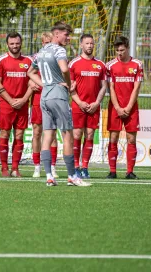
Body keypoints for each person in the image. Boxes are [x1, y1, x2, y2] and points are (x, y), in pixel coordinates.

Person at [28, 22, 90, 187]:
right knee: (67, 136)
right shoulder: (59, 50)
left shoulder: (41, 51)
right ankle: (72, 177)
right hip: (58, 96)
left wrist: (44, 85)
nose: (68, 38)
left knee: (47, 136)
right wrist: (68, 84)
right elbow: (64, 69)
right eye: (66, 34)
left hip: (45, 97)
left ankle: (49, 176)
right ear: (56, 33)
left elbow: (30, 72)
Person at [0, 32, 34, 177]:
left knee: (19, 135)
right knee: (4, 133)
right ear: (7, 44)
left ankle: (15, 168)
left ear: (21, 43)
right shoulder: (0, 61)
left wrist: (23, 99)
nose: (15, 46)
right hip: (6, 103)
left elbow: (33, 82)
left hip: (23, 103)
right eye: (12, 44)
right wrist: (10, 100)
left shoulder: (29, 61)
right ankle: (4, 168)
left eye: (17, 43)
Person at [69, 34, 107, 179]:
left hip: (93, 106)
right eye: (87, 43)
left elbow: (104, 86)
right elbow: (70, 87)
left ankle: (85, 167)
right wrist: (79, 102)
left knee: (90, 135)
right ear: (81, 45)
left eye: (91, 43)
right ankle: (76, 167)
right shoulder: (74, 64)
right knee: (77, 135)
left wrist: (97, 102)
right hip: (79, 105)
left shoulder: (100, 65)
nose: (90, 46)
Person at [105, 36, 143, 179]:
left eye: (122, 50)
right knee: (113, 138)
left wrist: (128, 107)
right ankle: (112, 171)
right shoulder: (110, 66)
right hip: (115, 107)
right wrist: (118, 107)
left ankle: (129, 172)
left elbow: (136, 88)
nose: (119, 53)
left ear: (127, 48)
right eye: (117, 51)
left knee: (131, 139)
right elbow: (111, 88)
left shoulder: (137, 64)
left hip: (131, 107)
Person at [30, 32, 60, 178]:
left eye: (50, 42)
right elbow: (29, 75)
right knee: (36, 132)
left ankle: (53, 166)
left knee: (52, 133)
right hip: (38, 98)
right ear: (42, 43)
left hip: (53, 97)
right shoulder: (37, 57)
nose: (47, 45)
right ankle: (37, 166)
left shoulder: (58, 56)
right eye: (45, 42)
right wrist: (33, 82)